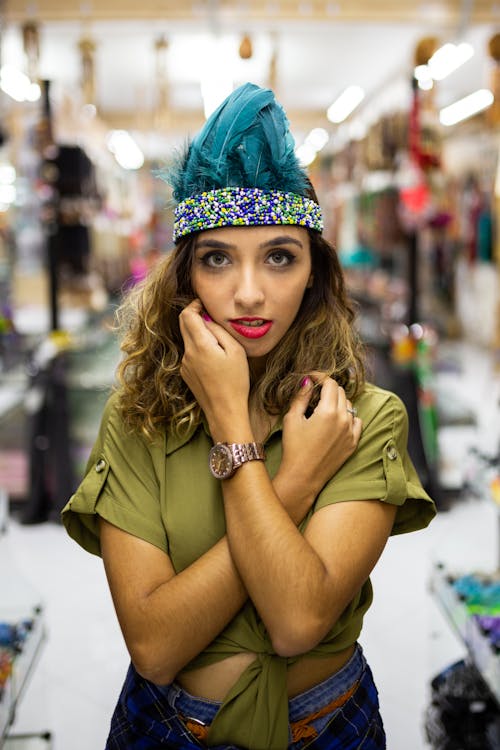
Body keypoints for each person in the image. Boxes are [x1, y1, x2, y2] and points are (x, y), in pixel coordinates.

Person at [61, 82, 436, 750]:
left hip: (328, 726)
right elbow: (153, 646)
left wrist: (232, 432)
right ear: (185, 279)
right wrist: (275, 470)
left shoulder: (365, 417)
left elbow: (297, 621)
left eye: (280, 257)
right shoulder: (138, 417)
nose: (249, 293)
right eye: (217, 259)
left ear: (315, 274)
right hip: (166, 727)